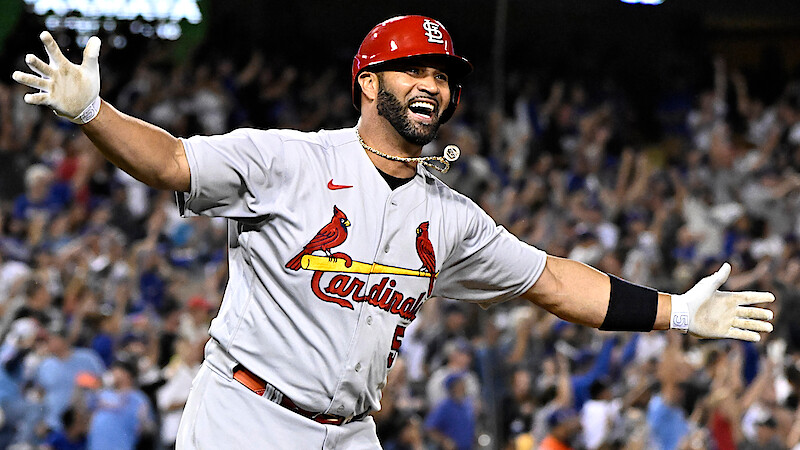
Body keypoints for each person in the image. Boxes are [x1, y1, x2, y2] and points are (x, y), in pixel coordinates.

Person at [12, 14, 776, 448]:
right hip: (246, 417)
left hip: (351, 432)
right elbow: (174, 162)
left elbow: (551, 280)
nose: (434, 85)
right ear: (368, 83)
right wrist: (92, 114)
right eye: (414, 68)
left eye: (443, 75)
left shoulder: (450, 216)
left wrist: (676, 311)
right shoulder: (289, 158)